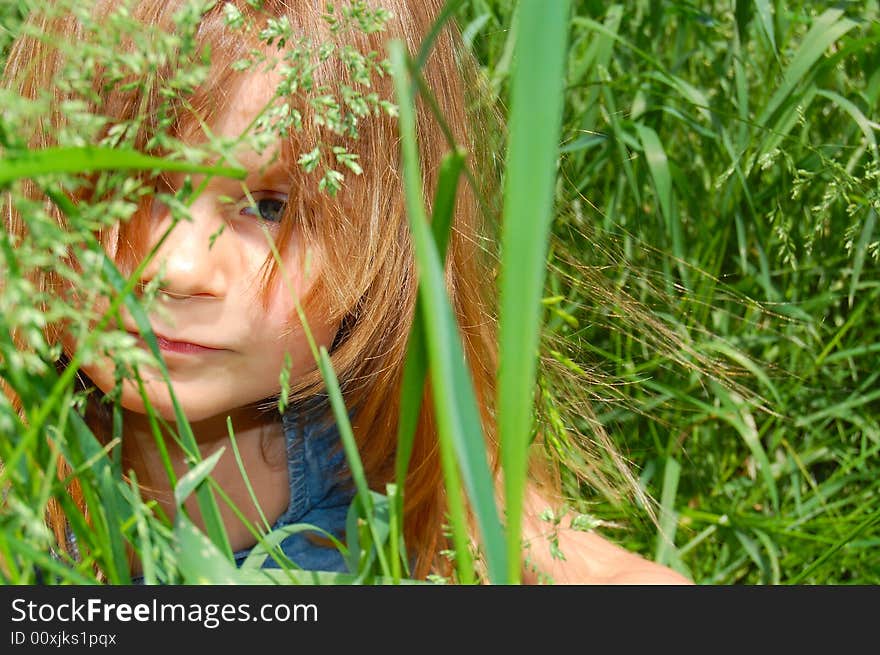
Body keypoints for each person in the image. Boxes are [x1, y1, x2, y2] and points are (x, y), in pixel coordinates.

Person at [1, 0, 690, 585]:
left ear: (394, 246)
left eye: (270, 208)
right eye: (128, 178)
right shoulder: (19, 453)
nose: (178, 267)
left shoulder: (388, 446)